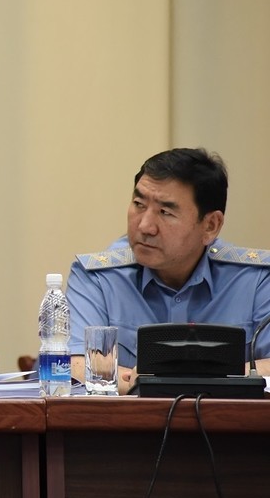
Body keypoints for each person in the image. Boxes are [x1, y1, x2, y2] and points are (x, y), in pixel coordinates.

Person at [66, 148, 270, 393]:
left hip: (227, 419)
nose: (145, 226)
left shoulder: (256, 280)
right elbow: (76, 366)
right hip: (129, 419)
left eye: (165, 212)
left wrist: (162, 380)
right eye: (139, 204)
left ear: (210, 225)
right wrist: (212, 379)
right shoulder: (97, 278)